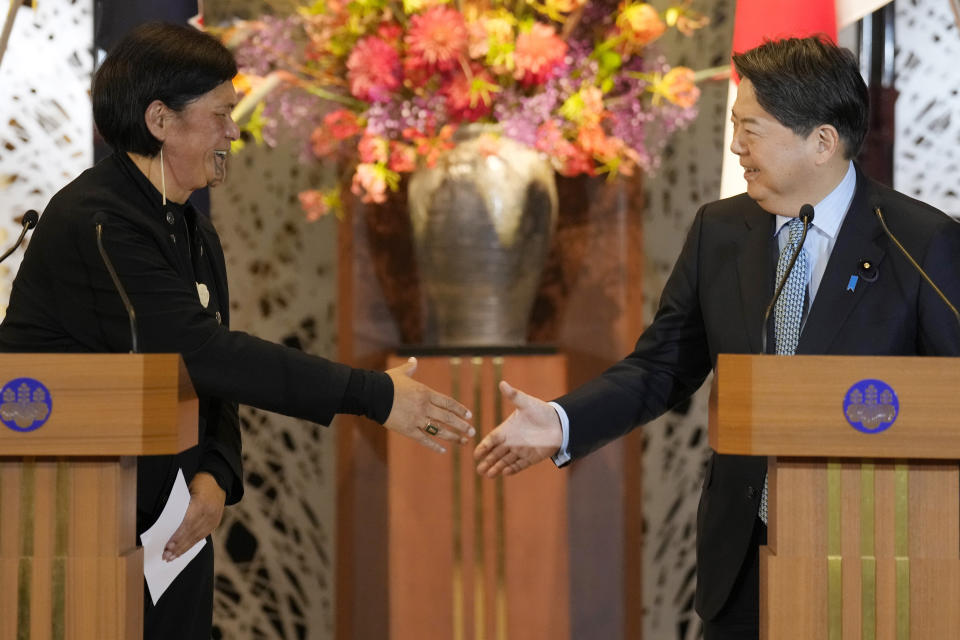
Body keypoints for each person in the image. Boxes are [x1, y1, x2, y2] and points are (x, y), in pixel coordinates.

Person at [473, 35, 960, 639]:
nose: (736, 147)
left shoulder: (920, 242)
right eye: (736, 127)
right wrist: (561, 421)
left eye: (751, 129)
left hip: (875, 559)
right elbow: (661, 367)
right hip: (744, 559)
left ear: (822, 141)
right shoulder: (720, 231)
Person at [0, 22, 473, 640]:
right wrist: (373, 396)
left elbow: (207, 369)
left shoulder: (192, 228)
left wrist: (217, 472)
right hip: (71, 522)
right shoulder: (98, 222)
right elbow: (201, 352)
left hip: (169, 523)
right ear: (161, 120)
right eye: (222, 113)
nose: (233, 132)